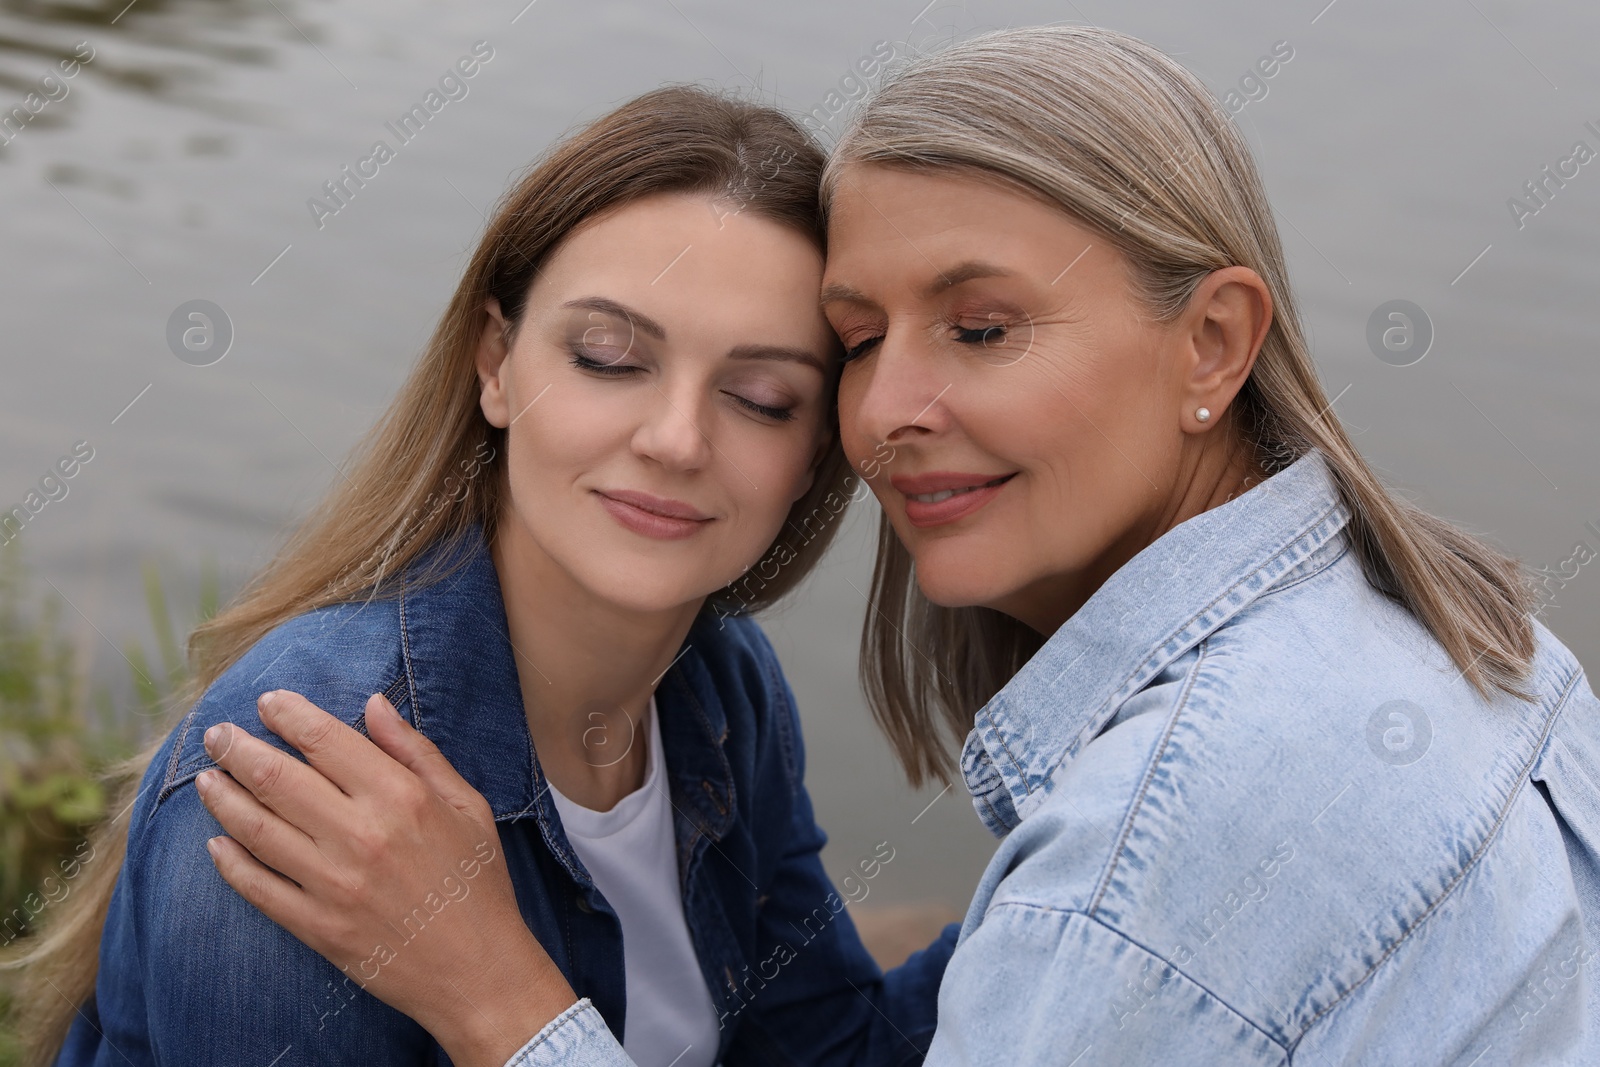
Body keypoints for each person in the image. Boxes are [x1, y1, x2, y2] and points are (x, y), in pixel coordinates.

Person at [189, 23, 1600, 1067]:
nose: (895, 412)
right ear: (494, 363)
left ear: (1214, 344)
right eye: (862, 342)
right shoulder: (1470, 632)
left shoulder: (1127, 871)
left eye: (980, 327)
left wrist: (506, 1006)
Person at [10, 85, 956, 1067]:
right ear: (496, 364)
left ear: (813, 452)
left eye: (761, 397)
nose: (676, 439)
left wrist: (1088, 864)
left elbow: (829, 1047)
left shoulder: (723, 686)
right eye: (607, 357)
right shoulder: (313, 775)